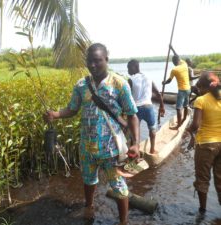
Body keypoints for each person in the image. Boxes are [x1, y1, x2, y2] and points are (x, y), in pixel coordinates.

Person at [43, 43, 140, 225]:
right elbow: (72, 109)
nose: (93, 65)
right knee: (88, 180)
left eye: (98, 61)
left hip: (112, 150)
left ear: (106, 60)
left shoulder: (119, 84)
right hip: (87, 149)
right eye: (90, 61)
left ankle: (124, 221)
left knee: (119, 188)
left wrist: (135, 143)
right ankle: (89, 206)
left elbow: (133, 115)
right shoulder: (81, 85)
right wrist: (55, 114)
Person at [186, 71, 221, 214]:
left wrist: (187, 131)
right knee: (220, 178)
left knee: (202, 178)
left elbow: (195, 125)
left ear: (204, 87)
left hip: (206, 144)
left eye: (199, 88)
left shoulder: (201, 101)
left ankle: (202, 210)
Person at [127, 59, 165, 154]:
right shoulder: (149, 77)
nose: (128, 71)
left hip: (136, 109)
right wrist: (162, 107)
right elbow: (158, 94)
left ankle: (134, 153)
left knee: (134, 132)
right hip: (149, 107)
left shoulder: (131, 80)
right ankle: (152, 149)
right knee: (152, 129)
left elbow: (126, 97)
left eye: (129, 68)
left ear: (134, 67)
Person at [162, 45, 190, 129]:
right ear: (179, 60)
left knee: (178, 108)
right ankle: (184, 119)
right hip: (188, 89)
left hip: (181, 90)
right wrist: (172, 49)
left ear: (174, 62)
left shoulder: (174, 70)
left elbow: (169, 81)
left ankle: (178, 125)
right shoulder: (184, 64)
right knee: (185, 106)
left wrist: (164, 83)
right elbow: (177, 55)